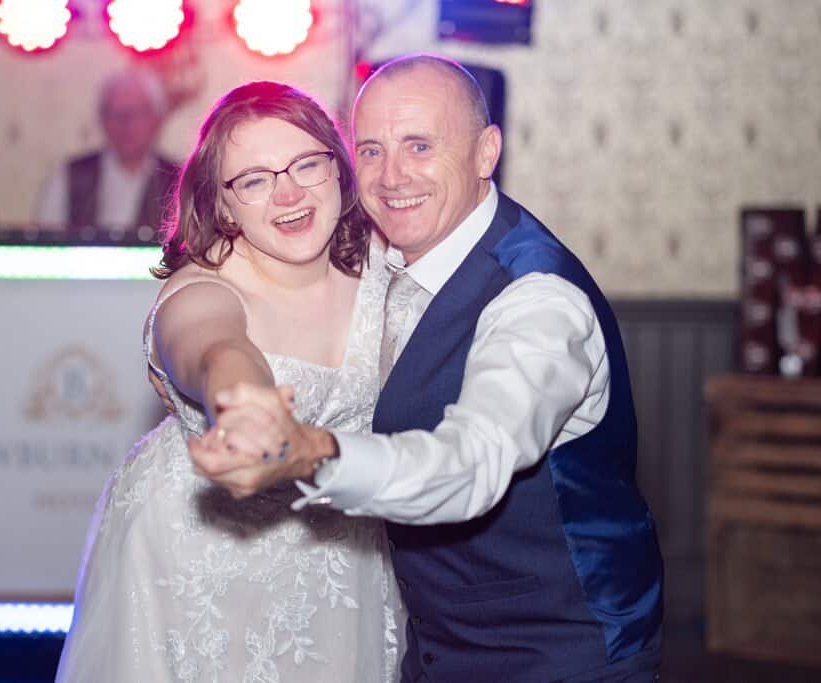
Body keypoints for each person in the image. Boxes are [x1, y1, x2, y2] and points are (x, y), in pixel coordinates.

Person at [190, 54, 665, 682]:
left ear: (485, 152)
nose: (392, 176)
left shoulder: (538, 303)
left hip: (561, 656)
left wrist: (313, 454)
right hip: (433, 649)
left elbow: (468, 465)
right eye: (372, 150)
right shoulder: (381, 255)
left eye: (419, 145)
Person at [55, 81, 404, 682]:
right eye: (254, 180)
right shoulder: (202, 286)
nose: (288, 193)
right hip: (195, 564)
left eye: (306, 164)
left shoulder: (387, 264)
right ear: (222, 205)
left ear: (339, 170)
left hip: (344, 563)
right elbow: (214, 346)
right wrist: (245, 406)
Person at [34, 68, 178, 233]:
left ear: (158, 119)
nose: (125, 123)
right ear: (102, 119)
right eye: (115, 113)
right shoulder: (69, 176)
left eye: (136, 112)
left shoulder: (178, 182)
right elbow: (47, 240)